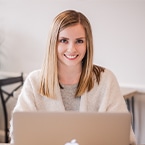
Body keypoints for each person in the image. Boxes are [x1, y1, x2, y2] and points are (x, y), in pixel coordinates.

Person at [9, 10, 136, 144]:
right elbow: (19, 136)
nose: (72, 49)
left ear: (87, 44)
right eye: (64, 40)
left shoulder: (105, 79)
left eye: (79, 41)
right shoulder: (35, 81)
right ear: (53, 43)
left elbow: (124, 137)